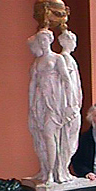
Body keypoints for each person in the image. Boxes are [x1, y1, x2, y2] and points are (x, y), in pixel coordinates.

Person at [28, 28, 78, 183]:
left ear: (50, 40)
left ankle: (52, 172)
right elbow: (33, 83)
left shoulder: (57, 59)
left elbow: (67, 80)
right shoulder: (37, 61)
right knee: (42, 137)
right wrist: (31, 105)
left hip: (55, 102)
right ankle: (45, 170)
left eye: (45, 40)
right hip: (41, 101)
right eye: (40, 40)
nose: (42, 43)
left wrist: (70, 104)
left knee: (50, 135)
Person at [58, 30, 82, 166]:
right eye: (73, 41)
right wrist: (72, 104)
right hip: (70, 106)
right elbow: (68, 85)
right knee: (68, 139)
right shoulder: (65, 59)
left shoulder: (69, 59)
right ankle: (62, 168)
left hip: (73, 105)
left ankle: (63, 168)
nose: (75, 45)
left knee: (71, 139)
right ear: (66, 42)